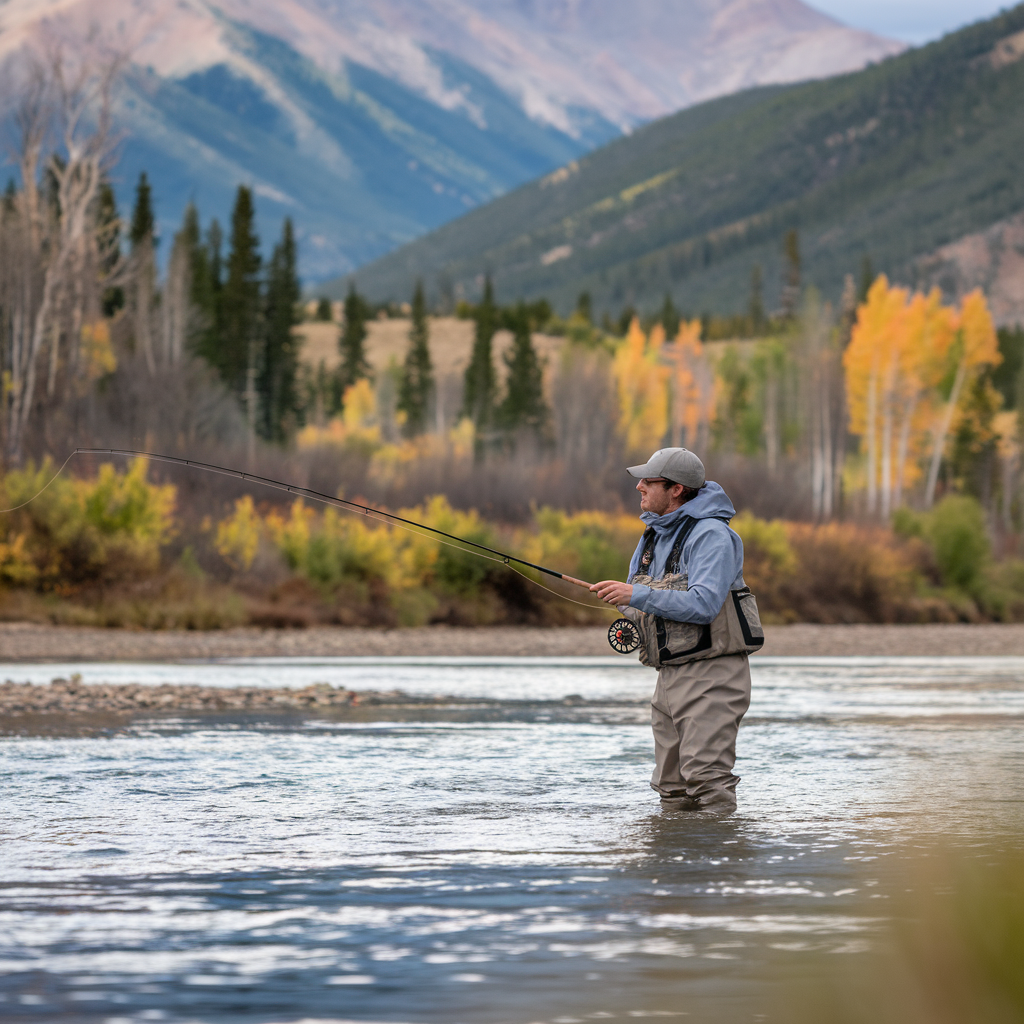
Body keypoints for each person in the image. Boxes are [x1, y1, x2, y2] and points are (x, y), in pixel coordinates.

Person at [590, 448, 762, 813]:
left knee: (707, 779)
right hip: (668, 676)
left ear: (676, 489)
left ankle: (719, 863)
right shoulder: (651, 536)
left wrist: (635, 593)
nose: (639, 486)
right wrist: (622, 598)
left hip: (713, 674)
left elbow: (704, 604)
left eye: (648, 481)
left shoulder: (714, 536)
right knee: (671, 787)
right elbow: (644, 600)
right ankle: (675, 866)